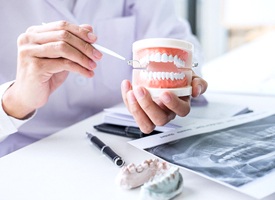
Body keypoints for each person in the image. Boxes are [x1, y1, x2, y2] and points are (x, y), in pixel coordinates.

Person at [0, 0, 207, 157]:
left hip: (125, 143)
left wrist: (181, 80)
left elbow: (174, 38)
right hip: (27, 154)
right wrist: (15, 101)